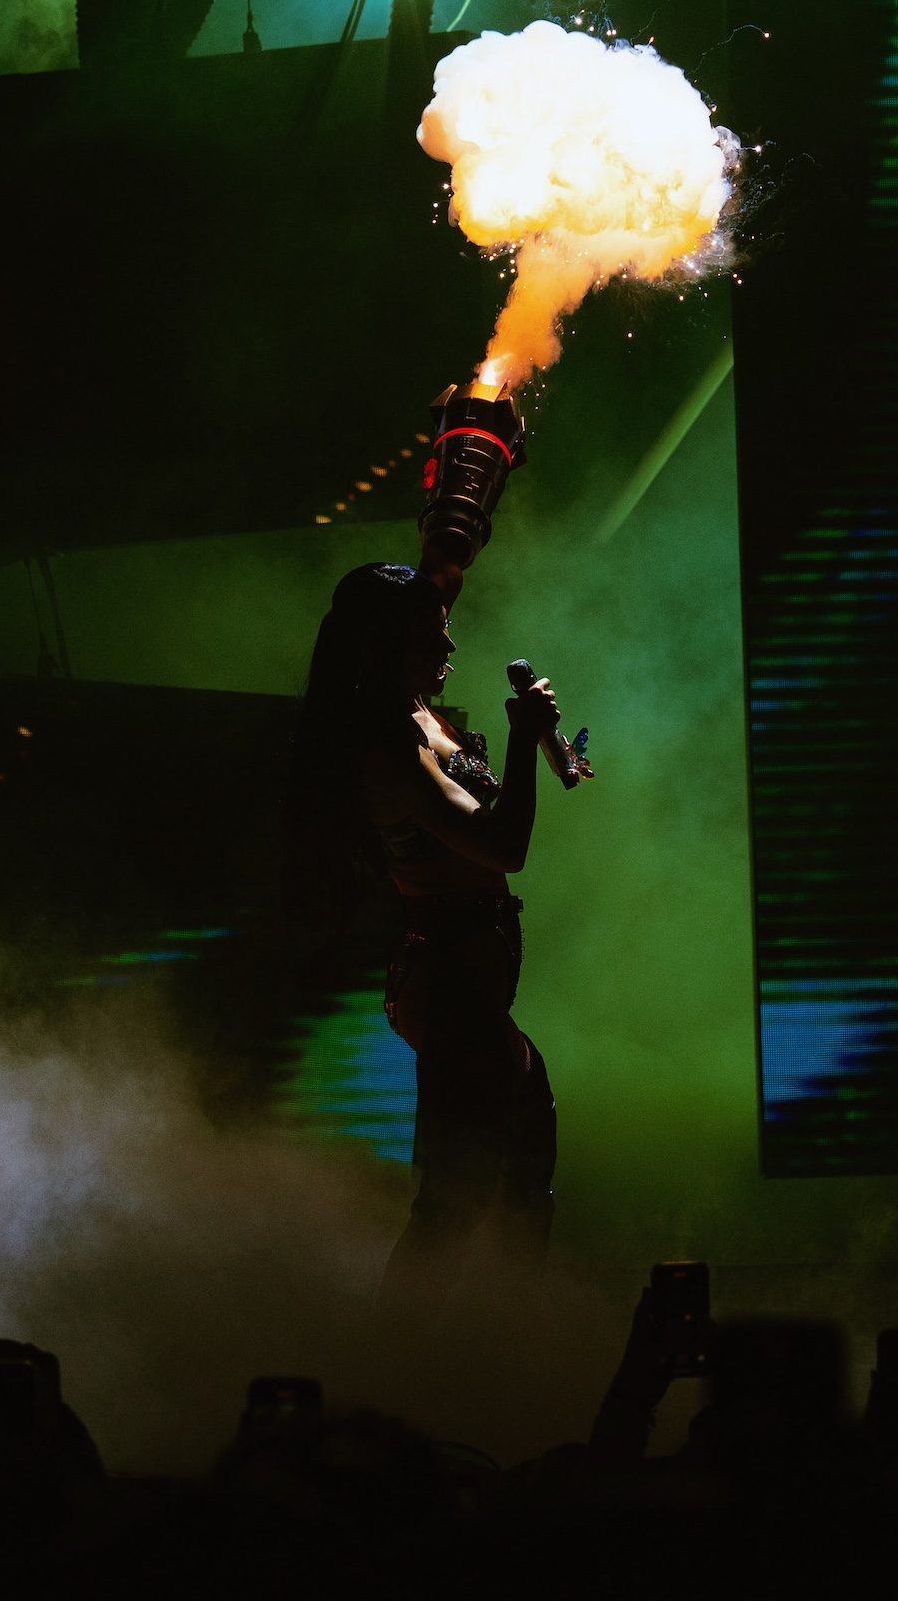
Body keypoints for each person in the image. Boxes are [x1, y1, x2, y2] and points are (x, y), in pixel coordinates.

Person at [289, 557, 563, 1308]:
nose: (450, 646)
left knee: (522, 1180)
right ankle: (407, 1349)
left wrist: (454, 540)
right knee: (456, 1200)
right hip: (448, 983)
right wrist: (523, 741)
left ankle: (512, 1336)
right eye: (431, 635)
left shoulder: (420, 714)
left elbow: (439, 579)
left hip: (468, 981)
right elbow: (503, 849)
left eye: (445, 629)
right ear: (384, 646)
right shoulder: (388, 751)